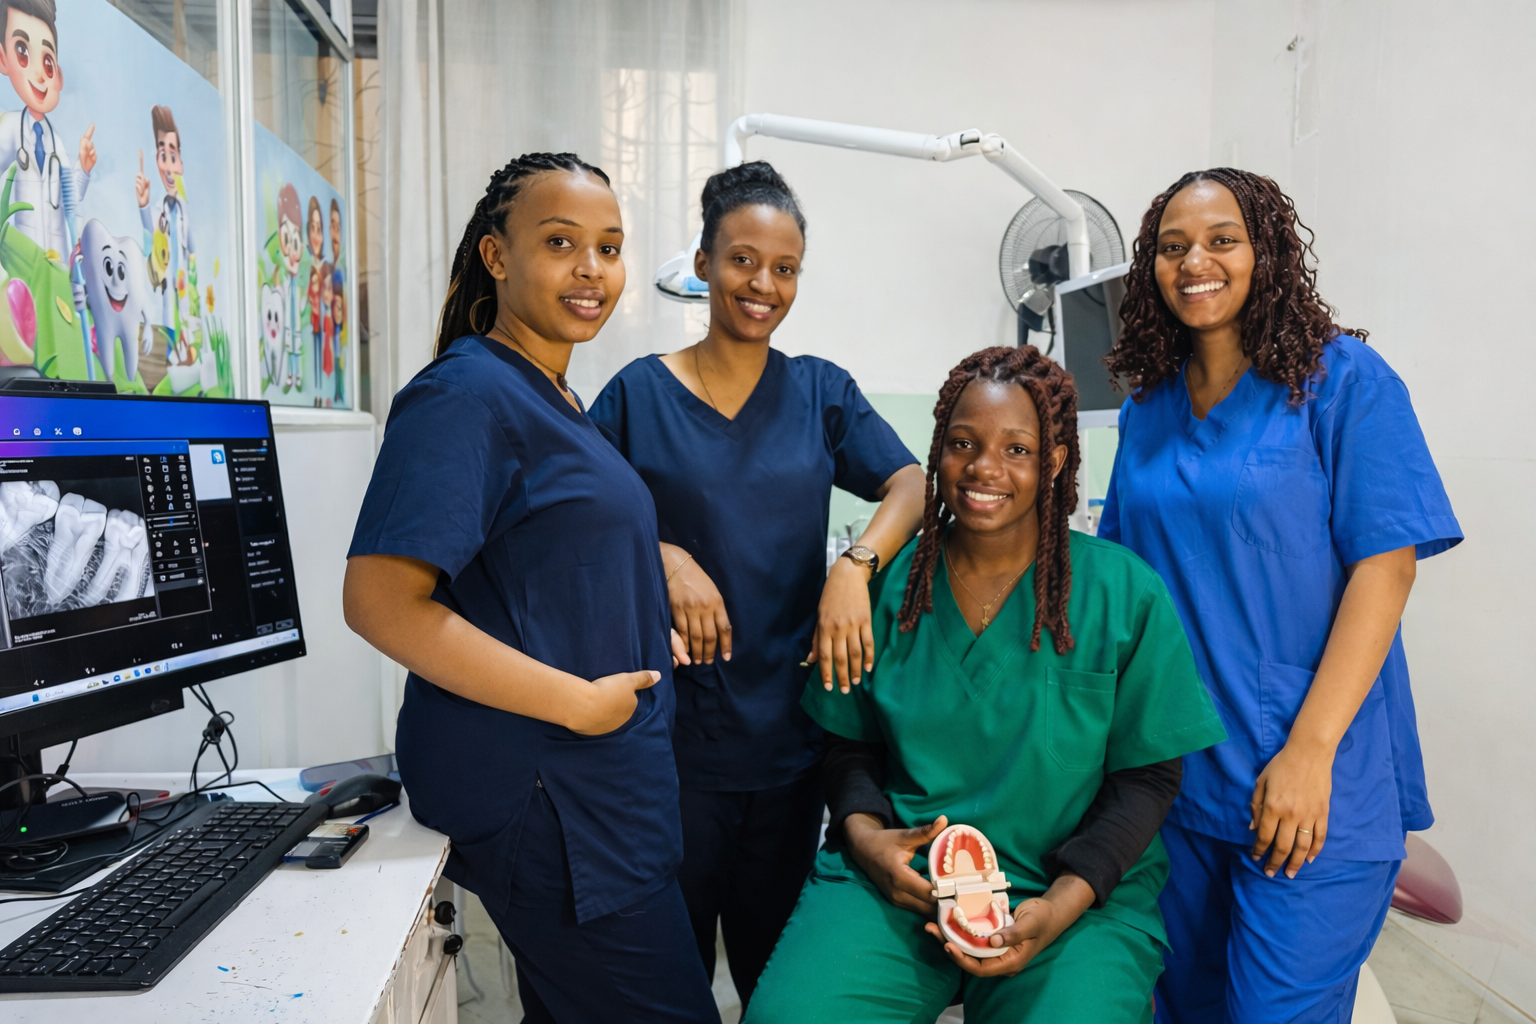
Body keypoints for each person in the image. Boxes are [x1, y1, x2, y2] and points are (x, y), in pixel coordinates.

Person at [745, 346, 1227, 1024]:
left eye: (1017, 450)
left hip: (1067, 897)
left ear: (1053, 462)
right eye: (962, 444)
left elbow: (1147, 779)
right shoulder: (887, 591)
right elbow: (850, 747)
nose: (983, 469)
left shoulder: (1122, 595)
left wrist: (1062, 903)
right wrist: (867, 841)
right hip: (900, 885)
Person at [343, 152, 718, 1023]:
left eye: (609, 247)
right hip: (557, 797)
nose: (592, 269)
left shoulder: (550, 391)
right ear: (496, 256)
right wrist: (578, 702)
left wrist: (633, 605)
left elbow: (533, 559)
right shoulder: (466, 394)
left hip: (601, 788)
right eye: (560, 242)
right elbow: (380, 602)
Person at [1098, 168, 1462, 1023]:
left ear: (1267, 252)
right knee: (1181, 1008)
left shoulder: (1345, 381)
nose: (1196, 262)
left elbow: (1387, 568)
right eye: (1173, 247)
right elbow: (1122, 575)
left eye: (1222, 240)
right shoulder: (1149, 406)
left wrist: (1309, 753)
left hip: (1313, 777)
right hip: (1182, 776)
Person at [590, 160, 925, 1008]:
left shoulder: (819, 392)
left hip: (786, 745)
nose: (763, 285)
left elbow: (912, 485)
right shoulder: (637, 396)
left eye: (785, 268)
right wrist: (664, 558)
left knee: (775, 986)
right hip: (669, 747)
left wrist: (854, 567)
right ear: (703, 262)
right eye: (742, 260)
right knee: (667, 986)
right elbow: (574, 527)